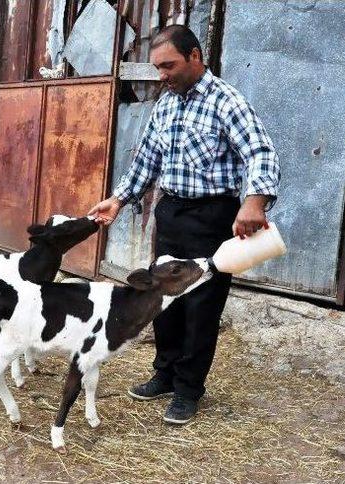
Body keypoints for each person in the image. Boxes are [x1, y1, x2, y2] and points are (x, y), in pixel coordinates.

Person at [88, 25, 280, 424]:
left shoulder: (226, 101)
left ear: (195, 56)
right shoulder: (166, 104)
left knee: (200, 306)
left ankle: (189, 390)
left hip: (212, 218)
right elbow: (147, 160)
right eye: (158, 68)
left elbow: (260, 151)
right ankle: (164, 374)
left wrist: (254, 201)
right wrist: (120, 198)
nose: (162, 75)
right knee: (165, 298)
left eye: (169, 66)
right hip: (170, 213)